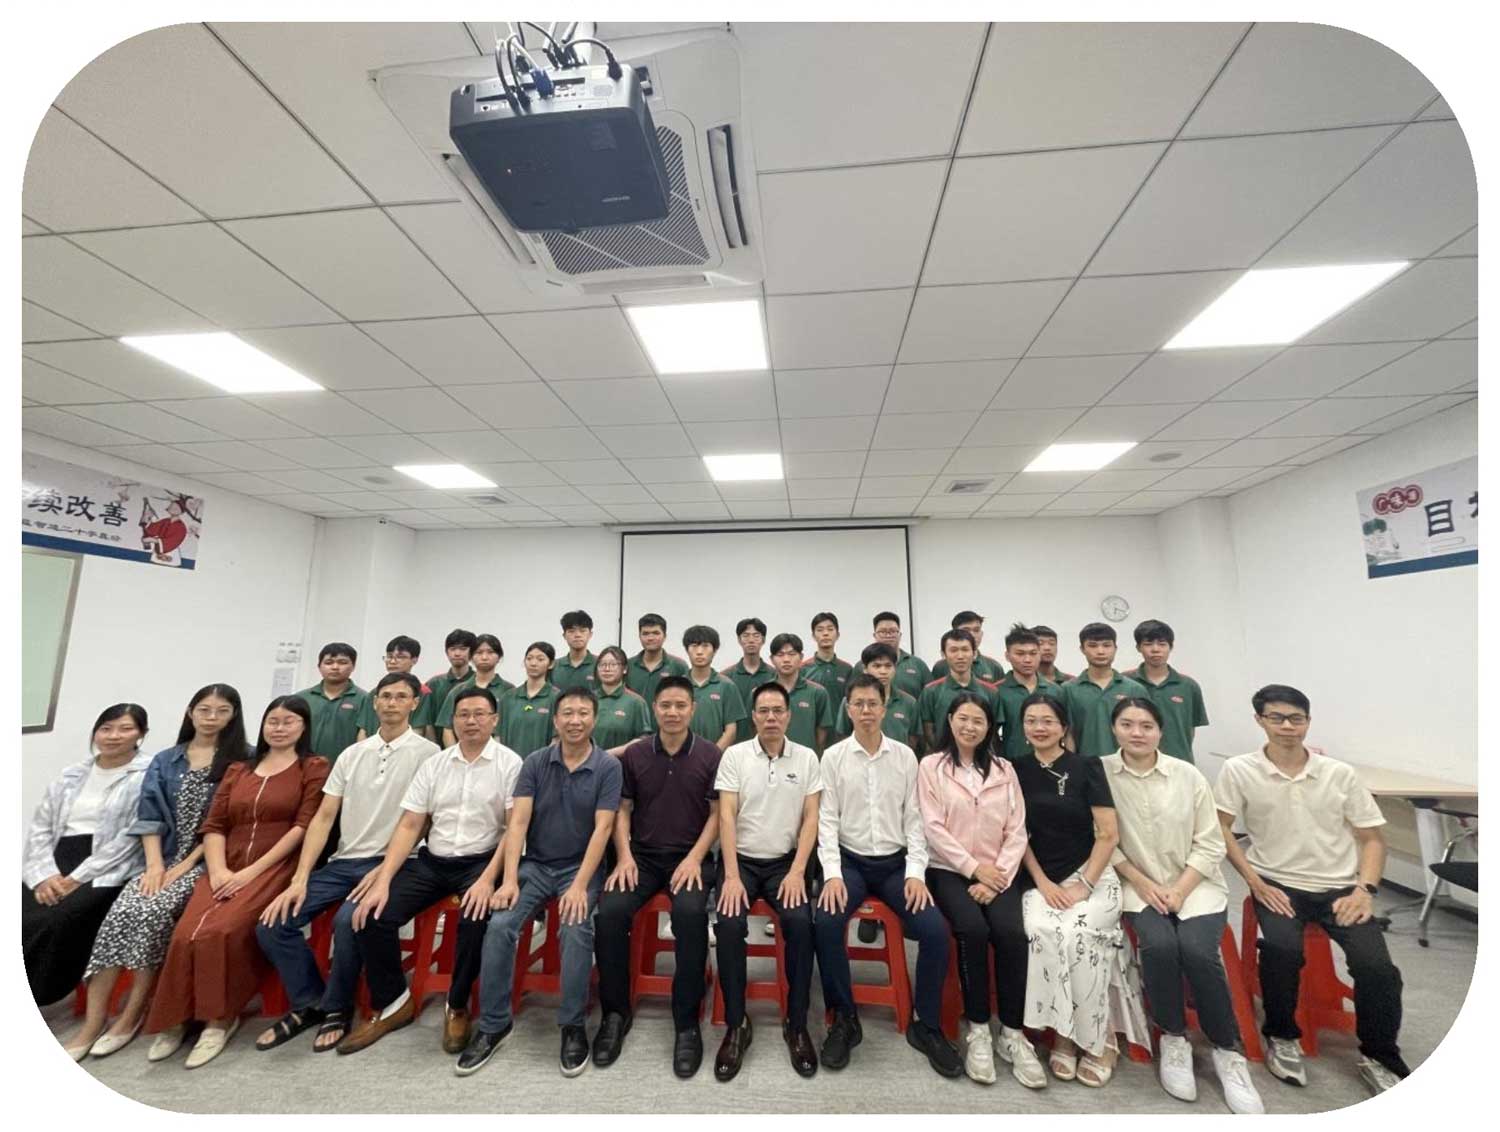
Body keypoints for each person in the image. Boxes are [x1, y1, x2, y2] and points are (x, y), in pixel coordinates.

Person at [1215, 684, 1408, 1095]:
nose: (1287, 726)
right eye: (1276, 718)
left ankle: (1380, 1055)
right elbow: (1221, 828)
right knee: (1282, 951)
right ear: (1260, 721)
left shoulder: (1338, 774)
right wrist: (1254, 880)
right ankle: (1282, 1036)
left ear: (1308, 722)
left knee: (1378, 969)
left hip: (1340, 888)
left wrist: (1365, 890)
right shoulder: (1239, 769)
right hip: (1277, 883)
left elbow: (1372, 839)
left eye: (1296, 718)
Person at [253, 672, 438, 1053]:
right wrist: (300, 878)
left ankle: (337, 1008)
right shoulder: (352, 755)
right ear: (375, 702)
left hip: (394, 862)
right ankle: (310, 1002)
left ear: (414, 703)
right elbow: (323, 818)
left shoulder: (428, 754)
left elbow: (422, 821)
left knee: (349, 920)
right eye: (385, 696)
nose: (391, 703)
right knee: (272, 923)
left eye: (400, 697)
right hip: (343, 862)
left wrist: (385, 870)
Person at [144, 696, 329, 1068]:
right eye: (273, 721)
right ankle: (178, 1019)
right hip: (225, 863)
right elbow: (215, 825)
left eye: (289, 721)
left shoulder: (313, 767)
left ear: (303, 727)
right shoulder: (239, 769)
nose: (279, 728)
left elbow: (303, 826)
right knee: (186, 932)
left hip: (275, 863)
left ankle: (219, 1020)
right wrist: (217, 871)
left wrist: (249, 873)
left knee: (223, 930)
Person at [340, 686, 523, 1055]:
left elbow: (512, 828)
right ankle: (394, 1002)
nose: (471, 721)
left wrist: (489, 878)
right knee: (372, 914)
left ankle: (457, 1004)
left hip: (481, 861)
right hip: (433, 860)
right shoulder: (435, 764)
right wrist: (384, 879)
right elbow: (411, 824)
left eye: (479, 714)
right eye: (463, 715)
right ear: (452, 720)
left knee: (475, 918)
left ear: (494, 720)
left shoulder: (510, 764)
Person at [70, 687, 248, 1062]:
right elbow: (148, 817)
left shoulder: (241, 760)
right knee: (121, 913)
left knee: (153, 913)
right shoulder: (167, 760)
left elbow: (226, 823)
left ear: (233, 716)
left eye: (221, 711)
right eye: (204, 709)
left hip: (207, 861)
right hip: (161, 858)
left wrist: (185, 866)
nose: (211, 717)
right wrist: (155, 866)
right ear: (190, 712)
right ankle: (93, 1023)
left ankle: (131, 1015)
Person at [1104, 698, 1263, 1114]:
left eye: (1146, 726)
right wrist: (1144, 883)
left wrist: (1179, 888)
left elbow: (1210, 842)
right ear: (1114, 729)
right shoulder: (1100, 774)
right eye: (1127, 724)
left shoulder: (1188, 775)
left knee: (1196, 950)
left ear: (1161, 731)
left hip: (1196, 885)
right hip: (1137, 886)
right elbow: (1103, 840)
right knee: (1158, 946)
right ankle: (1173, 1036)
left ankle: (1227, 1049)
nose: (1137, 733)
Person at [458, 687, 622, 1078]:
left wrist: (580, 885)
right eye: (567, 713)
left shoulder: (607, 767)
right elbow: (517, 822)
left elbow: (603, 829)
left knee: (575, 927)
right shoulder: (534, 762)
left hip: (580, 869)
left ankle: (572, 1025)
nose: (575, 720)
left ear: (594, 719)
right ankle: (494, 1024)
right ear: (555, 719)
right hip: (535, 865)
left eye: (583, 713)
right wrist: (508, 879)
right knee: (500, 925)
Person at [814, 675, 961, 1077]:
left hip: (896, 865)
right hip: (850, 863)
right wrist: (832, 874)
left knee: (934, 930)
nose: (866, 711)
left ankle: (926, 1024)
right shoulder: (833, 757)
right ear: (848, 709)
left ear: (884, 707)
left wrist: (916, 873)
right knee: (826, 922)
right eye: (858, 704)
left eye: (872, 703)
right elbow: (827, 821)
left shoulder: (905, 757)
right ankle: (844, 1018)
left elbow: (915, 821)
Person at [1014, 692, 1148, 1087]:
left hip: (1092, 873)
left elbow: (1108, 834)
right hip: (1041, 878)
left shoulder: (1087, 767)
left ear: (1063, 727)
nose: (1039, 727)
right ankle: (1065, 1035)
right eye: (1031, 721)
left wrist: (1085, 884)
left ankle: (1099, 1037)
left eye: (1048, 721)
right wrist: (1043, 883)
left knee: (1081, 935)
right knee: (1042, 930)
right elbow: (1017, 835)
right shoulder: (1015, 769)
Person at [593, 675, 722, 1078]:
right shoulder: (635, 754)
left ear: (692, 709)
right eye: (665, 705)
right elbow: (623, 808)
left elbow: (718, 815)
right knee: (610, 913)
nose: (673, 712)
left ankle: (686, 1021)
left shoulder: (710, 755)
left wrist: (695, 858)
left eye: (680, 705)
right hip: (643, 858)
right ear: (654, 708)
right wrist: (624, 856)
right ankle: (615, 1013)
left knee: (690, 915)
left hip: (691, 858)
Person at [916, 692, 1040, 1088]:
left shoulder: (1004, 769)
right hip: (949, 869)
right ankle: (979, 1029)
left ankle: (1013, 1034)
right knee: (972, 929)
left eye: (979, 721)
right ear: (950, 720)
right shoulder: (931, 766)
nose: (970, 727)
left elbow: (1017, 829)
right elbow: (933, 828)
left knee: (1011, 933)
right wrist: (974, 869)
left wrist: (997, 873)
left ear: (990, 728)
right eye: (963, 718)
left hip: (1000, 871)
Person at [712, 682, 823, 1082]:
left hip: (785, 865)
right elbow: (726, 816)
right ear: (754, 717)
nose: (771, 717)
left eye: (778, 711)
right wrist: (730, 876)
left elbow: (812, 818)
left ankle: (797, 1023)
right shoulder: (735, 756)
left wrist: (798, 871)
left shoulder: (807, 758)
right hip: (740, 861)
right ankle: (736, 1023)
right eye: (763, 711)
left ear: (789, 716)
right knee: (728, 925)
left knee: (800, 923)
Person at [25, 704, 154, 1025]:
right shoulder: (71, 775)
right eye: (106, 729)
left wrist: (76, 879)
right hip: (57, 860)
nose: (114, 736)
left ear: (141, 734)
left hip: (107, 868)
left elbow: (129, 839)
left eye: (125, 729)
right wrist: (43, 876)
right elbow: (41, 828)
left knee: (58, 919)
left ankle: (37, 996)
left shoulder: (147, 774)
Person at [1060, 623, 1148, 758]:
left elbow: (1145, 731)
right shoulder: (1068, 689)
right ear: (1082, 649)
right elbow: (1068, 734)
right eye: (1093, 645)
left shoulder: (1135, 689)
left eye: (1106, 645)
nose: (1100, 651)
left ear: (1115, 648)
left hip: (1126, 764)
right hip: (1084, 765)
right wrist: (1071, 765)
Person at [1128, 619, 1209, 764]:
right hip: (1134, 763)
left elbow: (1190, 729)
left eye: (1162, 644)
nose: (1155, 649)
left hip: (1179, 763)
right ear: (1138, 647)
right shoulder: (1124, 683)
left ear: (1171, 647)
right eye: (1148, 644)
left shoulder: (1189, 686)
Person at [917, 629, 998, 751]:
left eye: (965, 650)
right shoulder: (930, 691)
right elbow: (928, 731)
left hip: (981, 758)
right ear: (943, 654)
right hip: (943, 757)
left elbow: (993, 730)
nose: (960, 656)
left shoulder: (991, 691)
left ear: (974, 653)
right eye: (953, 650)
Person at [992, 624, 1061, 762]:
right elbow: (990, 735)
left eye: (1033, 653)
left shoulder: (1056, 690)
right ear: (1007, 656)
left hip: (1051, 763)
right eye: (1020, 654)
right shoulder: (996, 691)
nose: (1027, 660)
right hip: (1012, 764)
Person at [833, 642, 920, 747]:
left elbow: (914, 738)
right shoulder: (850, 700)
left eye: (888, 666)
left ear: (895, 669)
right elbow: (843, 736)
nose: (883, 671)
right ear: (865, 669)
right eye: (877, 666)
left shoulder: (909, 702)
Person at [436, 634, 512, 747]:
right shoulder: (458, 690)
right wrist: (456, 755)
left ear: (499, 657)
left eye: (490, 652)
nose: (484, 657)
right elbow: (447, 729)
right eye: (479, 652)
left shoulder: (509, 691)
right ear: (471, 657)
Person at [355, 635, 434, 741]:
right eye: (389, 656)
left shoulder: (422, 692)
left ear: (414, 660)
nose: (392, 661)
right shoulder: (374, 692)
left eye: (400, 657)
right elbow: (363, 730)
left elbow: (419, 729)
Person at [298, 642, 367, 762]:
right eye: (328, 662)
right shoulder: (301, 698)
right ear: (319, 666)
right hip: (304, 766)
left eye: (342, 662)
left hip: (346, 767)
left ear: (353, 666)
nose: (335, 667)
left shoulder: (365, 699)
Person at [682, 624, 747, 750]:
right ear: (687, 650)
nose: (699, 652)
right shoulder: (678, 685)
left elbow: (731, 730)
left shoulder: (727, 686)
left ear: (715, 650)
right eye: (694, 646)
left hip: (716, 756)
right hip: (682, 756)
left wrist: (713, 754)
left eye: (705, 646)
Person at [768, 632, 834, 754]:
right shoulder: (761, 693)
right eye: (780, 655)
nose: (786, 659)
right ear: (772, 659)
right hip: (770, 759)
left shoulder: (818, 692)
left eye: (792, 654)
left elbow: (821, 734)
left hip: (805, 760)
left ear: (801, 657)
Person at [496, 641, 560, 756]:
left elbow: (557, 739)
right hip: (509, 764)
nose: (533, 663)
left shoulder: (557, 698)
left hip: (542, 764)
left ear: (551, 664)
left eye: (540, 659)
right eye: (529, 658)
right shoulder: (508, 697)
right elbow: (497, 737)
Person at [590, 645, 654, 754]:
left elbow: (643, 739)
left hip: (622, 762)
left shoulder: (636, 702)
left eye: (613, 664)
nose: (607, 669)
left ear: (624, 669)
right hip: (588, 761)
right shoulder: (587, 699)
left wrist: (608, 755)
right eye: (602, 664)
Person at [855, 610, 931, 701]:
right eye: (883, 632)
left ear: (900, 635)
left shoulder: (918, 664)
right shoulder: (862, 665)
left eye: (893, 631)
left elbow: (930, 697)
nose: (888, 635)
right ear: (874, 635)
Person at [425, 628, 478, 738]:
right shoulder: (433, 684)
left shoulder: (478, 682)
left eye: (463, 649)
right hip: (438, 745)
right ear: (447, 652)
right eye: (452, 649)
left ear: (472, 652)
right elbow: (426, 722)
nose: (457, 653)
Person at [626, 613, 689, 702]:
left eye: (656, 633)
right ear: (639, 636)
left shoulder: (679, 666)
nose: (650, 638)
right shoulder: (628, 666)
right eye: (645, 634)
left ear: (665, 636)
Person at [931, 612, 1005, 683]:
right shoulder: (941, 667)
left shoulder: (993, 666)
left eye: (976, 630)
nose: (972, 635)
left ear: (981, 634)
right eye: (965, 630)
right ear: (954, 633)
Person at [722, 616, 777, 706]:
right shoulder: (726, 677)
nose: (751, 640)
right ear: (739, 640)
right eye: (746, 635)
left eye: (756, 635)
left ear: (763, 640)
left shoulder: (775, 675)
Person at [804, 612, 853, 700]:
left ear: (837, 635)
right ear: (813, 636)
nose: (825, 633)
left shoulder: (847, 669)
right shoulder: (803, 668)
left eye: (830, 629)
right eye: (820, 630)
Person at [554, 610, 598, 692]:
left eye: (582, 631)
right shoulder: (554, 667)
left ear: (590, 634)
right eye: (571, 631)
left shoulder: (600, 664)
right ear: (564, 636)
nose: (577, 635)